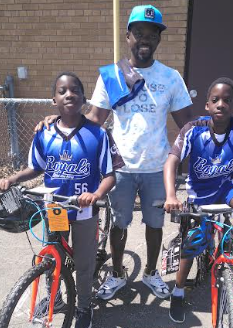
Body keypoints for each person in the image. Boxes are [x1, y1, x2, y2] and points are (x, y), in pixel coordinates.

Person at [35, 5, 193, 301]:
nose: (145, 39)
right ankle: (118, 274)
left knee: (154, 225)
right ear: (128, 36)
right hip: (119, 168)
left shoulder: (171, 78)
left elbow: (188, 126)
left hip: (157, 168)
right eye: (139, 33)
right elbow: (93, 121)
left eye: (152, 34)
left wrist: (230, 123)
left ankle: (150, 273)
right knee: (120, 223)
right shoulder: (112, 76)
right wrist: (55, 123)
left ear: (159, 39)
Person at [0, 71, 116, 328]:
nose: (69, 95)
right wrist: (14, 178)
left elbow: (110, 175)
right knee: (55, 257)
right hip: (55, 207)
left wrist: (96, 194)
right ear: (53, 100)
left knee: (84, 264)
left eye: (75, 90)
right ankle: (56, 298)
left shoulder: (97, 134)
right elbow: (35, 168)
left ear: (84, 99)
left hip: (84, 210)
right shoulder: (45, 133)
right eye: (62, 91)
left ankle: (84, 307)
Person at [163, 77, 233, 323]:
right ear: (207, 105)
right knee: (192, 244)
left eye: (227, 100)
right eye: (215, 100)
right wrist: (171, 195)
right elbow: (172, 160)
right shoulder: (193, 129)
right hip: (200, 194)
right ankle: (179, 290)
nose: (221, 104)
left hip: (228, 187)